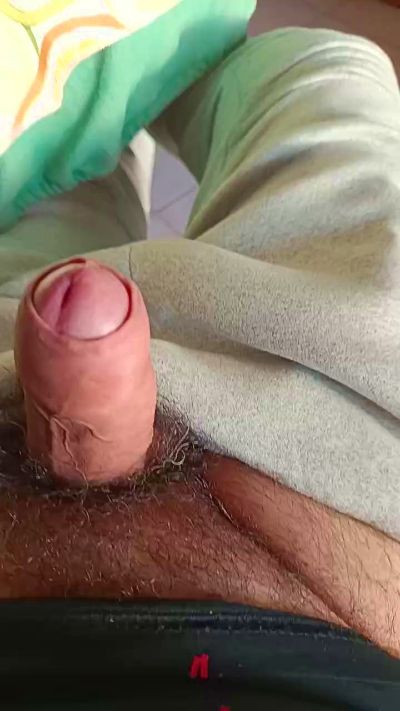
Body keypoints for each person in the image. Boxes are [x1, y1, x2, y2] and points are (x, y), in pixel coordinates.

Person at [0, 27, 399, 708]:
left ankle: (129, 54)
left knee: (60, 140)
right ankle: (150, 48)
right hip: (349, 466)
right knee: (314, 75)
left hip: (338, 462)